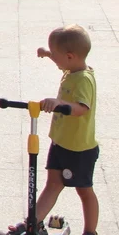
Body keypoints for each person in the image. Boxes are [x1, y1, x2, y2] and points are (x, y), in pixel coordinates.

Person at [27, 25, 99, 235]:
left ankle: (90, 231)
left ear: (69, 56)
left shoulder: (83, 79)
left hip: (79, 149)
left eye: (55, 55)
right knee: (52, 184)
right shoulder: (72, 68)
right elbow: (62, 59)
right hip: (60, 142)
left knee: (84, 190)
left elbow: (82, 108)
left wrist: (58, 103)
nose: (55, 60)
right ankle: (32, 223)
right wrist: (48, 54)